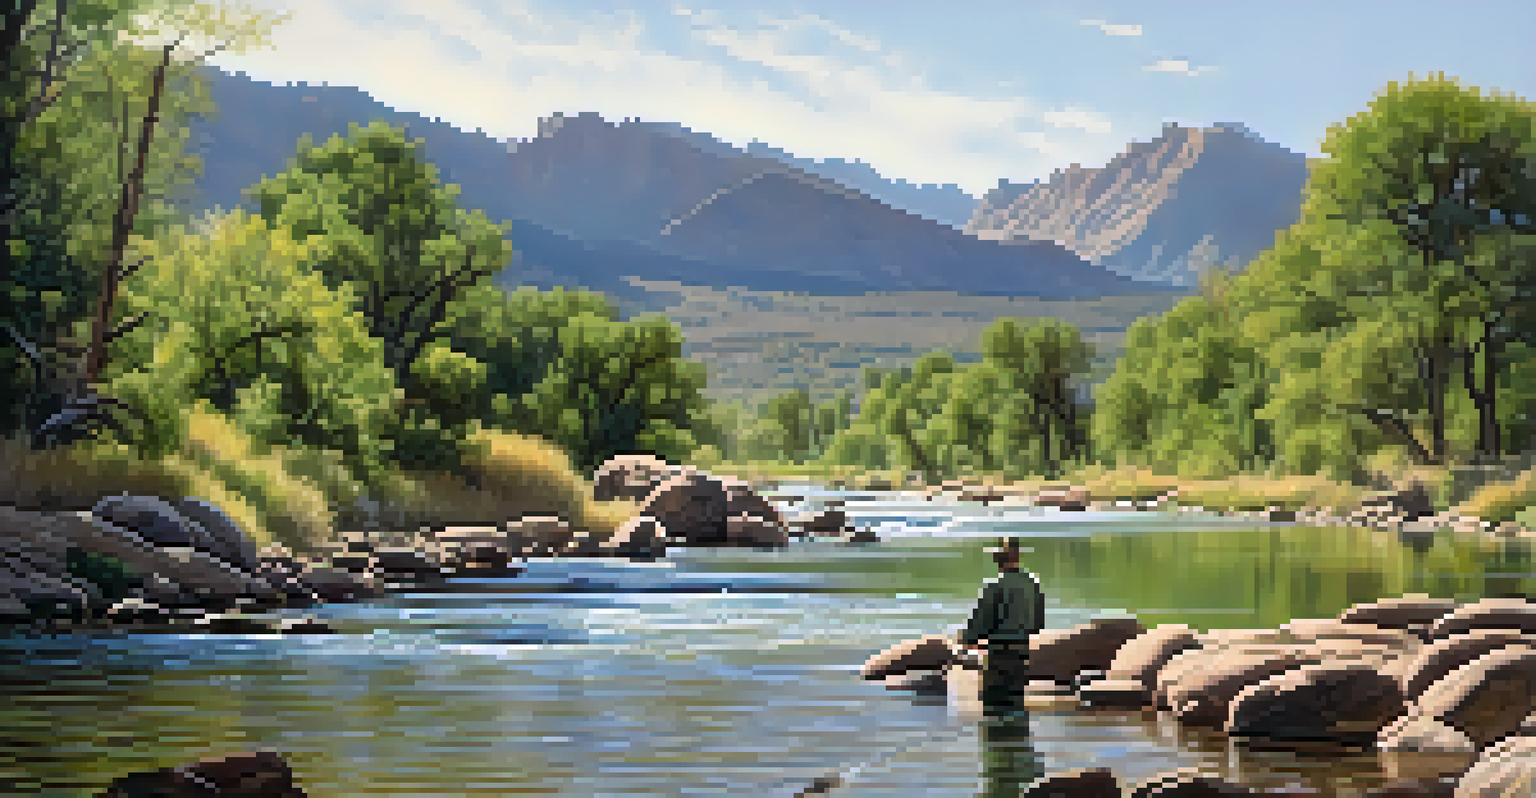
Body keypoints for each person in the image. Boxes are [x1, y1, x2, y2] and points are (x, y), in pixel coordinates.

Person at [959, 538, 1046, 711]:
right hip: (1021, 656)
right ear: (1018, 557)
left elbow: (979, 624)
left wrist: (966, 641)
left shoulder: (994, 586)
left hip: (998, 656)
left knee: (994, 709)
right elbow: (1037, 625)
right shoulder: (1033, 584)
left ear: (997, 560)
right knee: (1016, 707)